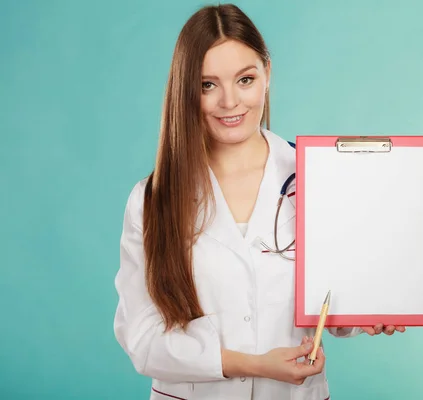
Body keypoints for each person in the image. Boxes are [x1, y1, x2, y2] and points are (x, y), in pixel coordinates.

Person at [113, 4, 405, 399]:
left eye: (245, 79)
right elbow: (143, 341)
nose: (230, 101)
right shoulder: (153, 200)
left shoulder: (322, 178)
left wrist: (369, 311)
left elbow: (332, 308)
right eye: (207, 85)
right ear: (186, 91)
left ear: (267, 73)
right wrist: (249, 364)